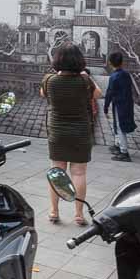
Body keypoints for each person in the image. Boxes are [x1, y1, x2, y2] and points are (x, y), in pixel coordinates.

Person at [41, 43, 96, 226]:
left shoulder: (49, 80)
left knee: (57, 172)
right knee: (79, 174)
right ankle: (79, 214)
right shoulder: (84, 81)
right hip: (80, 132)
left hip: (57, 132)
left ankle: (54, 211)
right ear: (78, 61)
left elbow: (43, 93)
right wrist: (85, 76)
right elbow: (98, 94)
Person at [103, 52, 137, 162]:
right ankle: (118, 145)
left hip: (118, 104)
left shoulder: (114, 76)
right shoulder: (126, 74)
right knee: (118, 125)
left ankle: (124, 152)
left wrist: (106, 106)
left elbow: (110, 92)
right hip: (127, 103)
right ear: (122, 62)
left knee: (119, 126)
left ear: (110, 63)